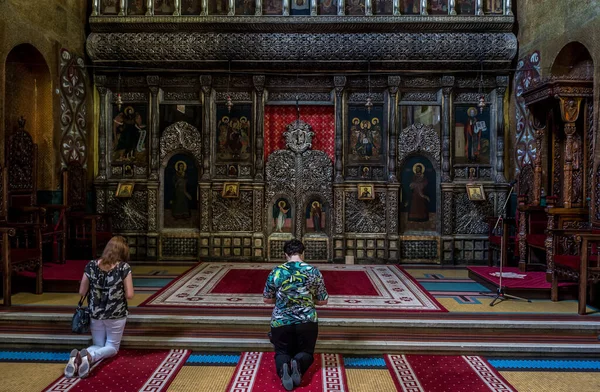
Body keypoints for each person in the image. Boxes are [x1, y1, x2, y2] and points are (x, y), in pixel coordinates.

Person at [64, 236, 134, 379]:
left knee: (98, 344)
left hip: (95, 313)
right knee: (112, 348)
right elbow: (130, 294)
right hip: (116, 314)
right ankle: (89, 356)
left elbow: (82, 292)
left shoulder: (91, 265)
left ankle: (76, 359)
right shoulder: (123, 267)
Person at [263, 239, 329, 391]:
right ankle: (298, 363)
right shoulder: (313, 271)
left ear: (285, 254)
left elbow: (267, 299)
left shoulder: (277, 271)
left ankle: (285, 365)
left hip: (281, 322)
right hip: (306, 321)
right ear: (302, 253)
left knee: (281, 353)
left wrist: (282, 298)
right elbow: (323, 301)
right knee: (307, 352)